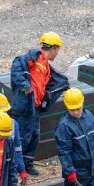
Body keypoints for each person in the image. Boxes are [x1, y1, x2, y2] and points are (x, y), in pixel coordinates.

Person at [10, 32, 69, 176]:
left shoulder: (46, 66)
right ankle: (16, 169)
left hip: (34, 108)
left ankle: (27, 165)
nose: (57, 53)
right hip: (24, 107)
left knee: (34, 136)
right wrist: (25, 85)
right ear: (54, 48)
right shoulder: (35, 56)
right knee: (22, 138)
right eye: (58, 50)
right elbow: (16, 64)